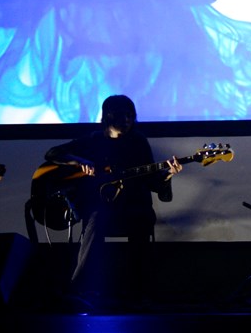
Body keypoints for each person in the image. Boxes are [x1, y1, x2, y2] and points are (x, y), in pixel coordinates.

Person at [43, 94, 182, 310]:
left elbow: (152, 181)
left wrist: (168, 173)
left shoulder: (138, 142)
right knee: (96, 218)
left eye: (130, 116)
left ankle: (139, 293)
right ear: (108, 116)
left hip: (134, 207)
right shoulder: (93, 141)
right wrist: (79, 161)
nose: (126, 120)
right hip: (102, 208)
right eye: (121, 115)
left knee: (141, 219)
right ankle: (80, 290)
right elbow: (52, 153)